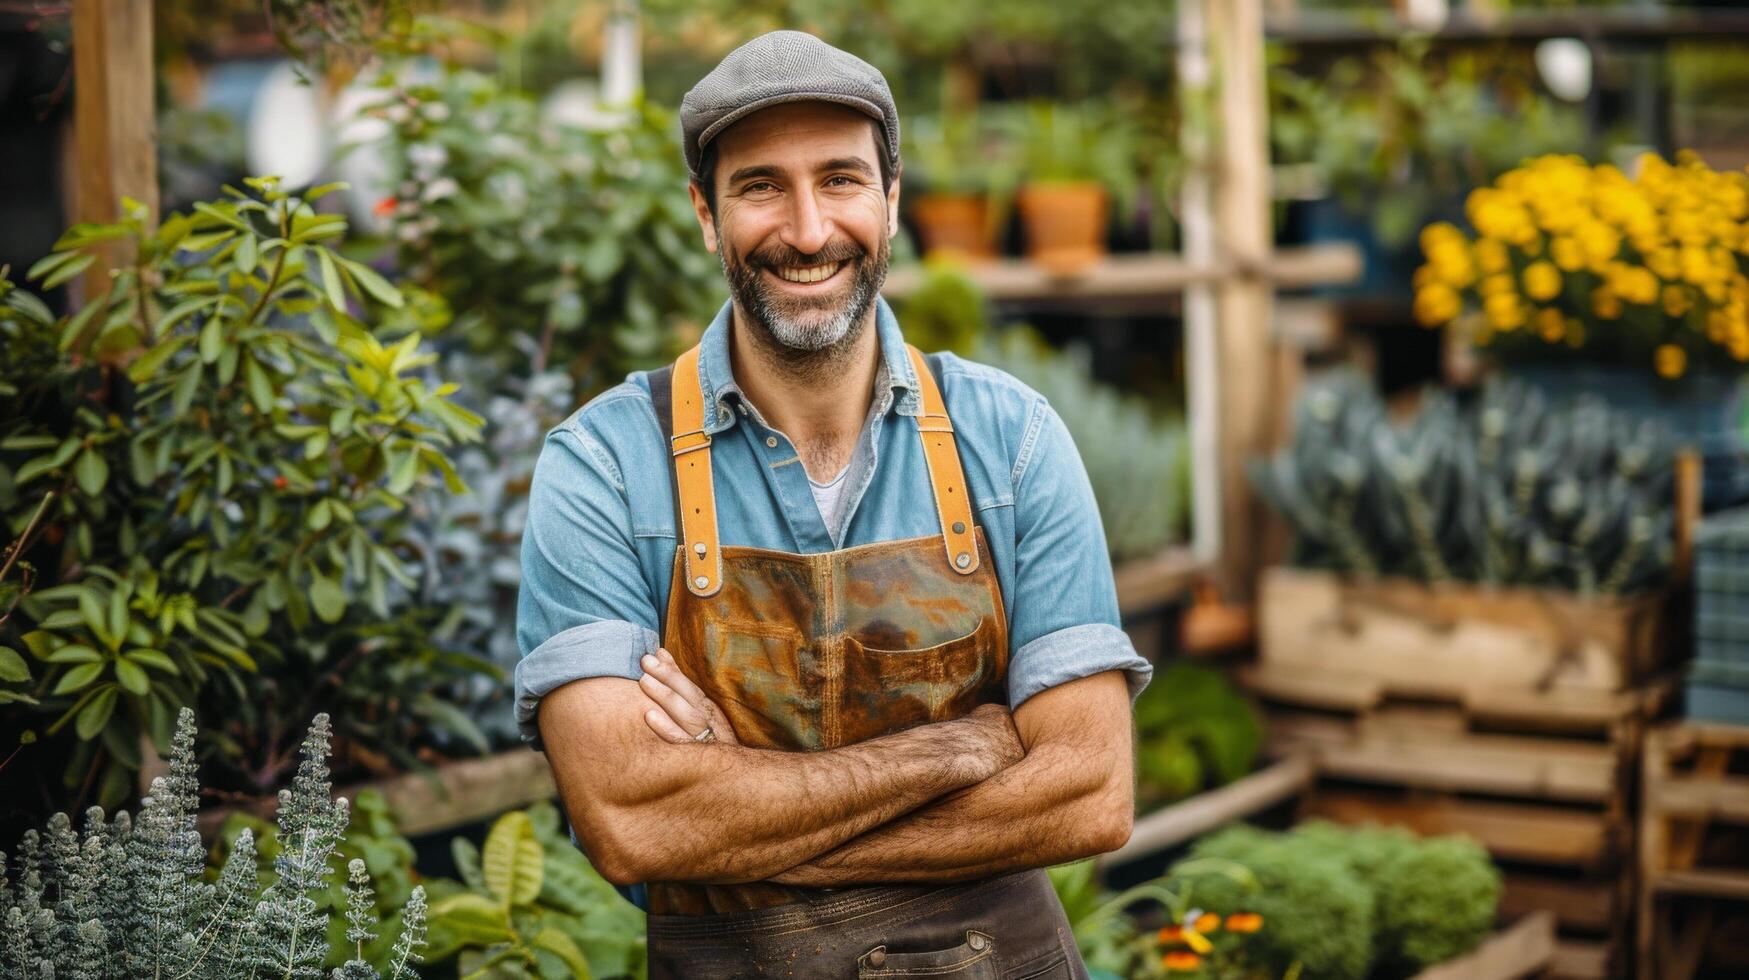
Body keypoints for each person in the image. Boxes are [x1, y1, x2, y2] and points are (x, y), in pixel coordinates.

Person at [514, 29, 1152, 979]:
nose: (808, 232)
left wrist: (733, 818)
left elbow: (1088, 795)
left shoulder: (1009, 441)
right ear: (704, 214)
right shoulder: (605, 466)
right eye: (761, 186)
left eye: (842, 181)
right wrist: (953, 752)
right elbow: (632, 821)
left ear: (891, 204)